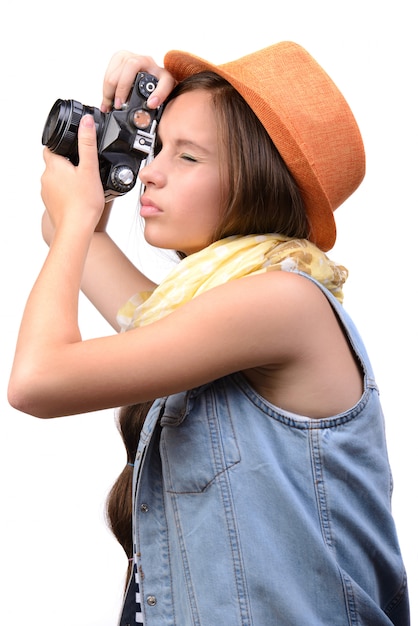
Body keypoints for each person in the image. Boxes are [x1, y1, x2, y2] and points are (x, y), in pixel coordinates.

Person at [8, 41, 410, 625]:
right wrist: (117, 131)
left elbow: (36, 381)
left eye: (188, 157)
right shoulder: (192, 312)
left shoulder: (283, 303)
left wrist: (75, 217)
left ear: (258, 182)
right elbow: (68, 233)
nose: (153, 171)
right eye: (157, 147)